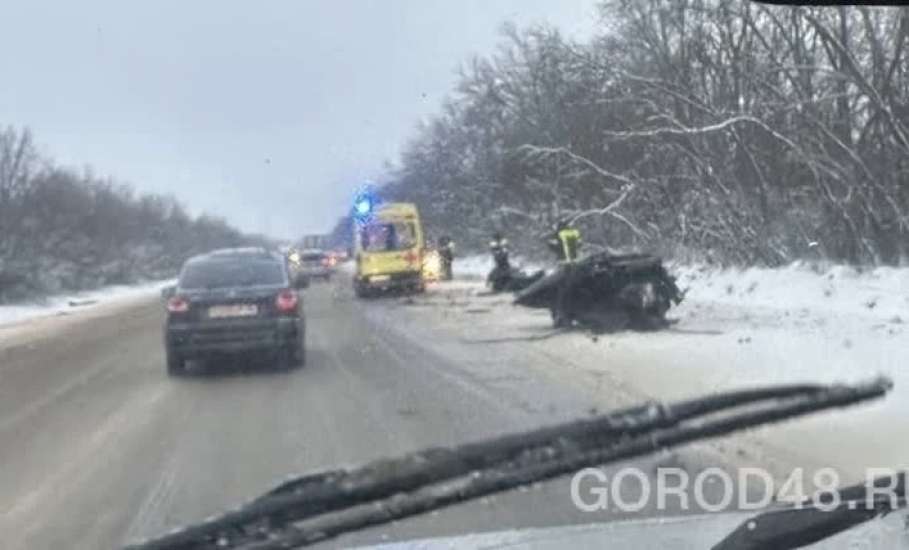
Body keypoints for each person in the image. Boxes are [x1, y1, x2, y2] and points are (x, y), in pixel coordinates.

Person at [548, 218, 582, 327]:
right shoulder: (575, 233)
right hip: (576, 263)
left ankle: (561, 315)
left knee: (562, 289)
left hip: (563, 264)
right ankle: (572, 312)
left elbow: (551, 246)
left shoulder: (558, 234)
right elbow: (580, 244)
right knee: (574, 287)